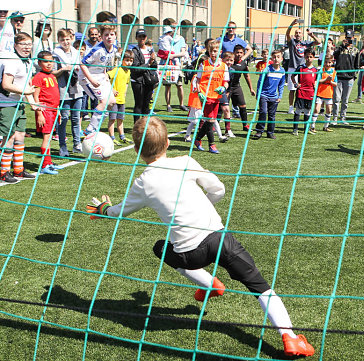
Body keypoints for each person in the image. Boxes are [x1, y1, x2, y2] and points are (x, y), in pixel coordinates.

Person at [86, 116, 315, 357]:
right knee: (260, 287)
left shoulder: (143, 182)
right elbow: (219, 189)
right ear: (167, 144)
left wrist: (103, 210)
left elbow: (118, 212)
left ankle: (210, 285)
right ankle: (289, 337)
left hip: (188, 255)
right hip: (220, 241)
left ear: (135, 150)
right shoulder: (186, 160)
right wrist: (201, 206)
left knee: (161, 248)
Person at [0, 32, 37, 183]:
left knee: (20, 135)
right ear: (15, 45)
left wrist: (33, 102)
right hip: (6, 104)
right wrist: (26, 92)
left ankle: (18, 169)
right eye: (23, 44)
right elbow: (6, 84)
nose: (27, 47)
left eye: (29, 44)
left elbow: (26, 84)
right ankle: (3, 171)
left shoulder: (27, 61)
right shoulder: (12, 61)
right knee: (8, 138)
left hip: (19, 103)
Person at [79, 24, 118, 136]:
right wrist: (90, 79)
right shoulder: (97, 50)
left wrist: (105, 76)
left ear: (115, 36)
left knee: (112, 102)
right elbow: (82, 63)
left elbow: (104, 64)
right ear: (101, 37)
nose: (109, 37)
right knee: (104, 102)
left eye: (111, 34)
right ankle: (90, 129)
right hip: (87, 78)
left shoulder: (114, 49)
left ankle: (95, 127)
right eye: (106, 35)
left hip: (101, 76)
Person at [193, 39, 229, 154]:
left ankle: (197, 139)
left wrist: (223, 88)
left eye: (215, 51)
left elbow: (226, 81)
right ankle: (212, 145)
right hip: (205, 96)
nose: (213, 54)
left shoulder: (223, 66)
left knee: (210, 121)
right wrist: (199, 93)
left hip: (216, 96)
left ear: (220, 52)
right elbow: (197, 80)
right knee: (211, 120)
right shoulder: (203, 65)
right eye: (211, 51)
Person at [53, 28, 84, 156]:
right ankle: (62, 146)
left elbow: (82, 68)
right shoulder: (56, 54)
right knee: (64, 118)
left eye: (67, 39)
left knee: (76, 118)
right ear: (58, 40)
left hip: (77, 88)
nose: (65, 42)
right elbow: (53, 72)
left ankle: (77, 143)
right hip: (63, 89)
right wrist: (65, 68)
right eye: (62, 40)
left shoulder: (76, 53)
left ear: (71, 39)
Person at [32, 51, 63, 174]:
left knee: (49, 137)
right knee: (46, 137)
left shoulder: (52, 76)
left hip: (54, 110)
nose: (49, 64)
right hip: (45, 111)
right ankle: (45, 165)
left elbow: (55, 96)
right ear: (39, 63)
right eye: (45, 61)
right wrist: (39, 113)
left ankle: (49, 162)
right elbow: (36, 98)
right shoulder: (39, 77)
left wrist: (58, 110)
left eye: (51, 61)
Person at [285, 19, 321, 114]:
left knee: (303, 88)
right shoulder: (292, 42)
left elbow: (319, 42)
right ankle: (291, 107)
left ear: (302, 34)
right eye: (296, 33)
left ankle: (301, 106)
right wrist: (292, 24)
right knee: (292, 89)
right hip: (293, 67)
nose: (298, 34)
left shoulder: (306, 43)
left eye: (299, 33)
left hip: (303, 69)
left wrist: (312, 35)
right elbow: (287, 34)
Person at [252, 49, 285, 139]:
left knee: (272, 115)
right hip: (264, 95)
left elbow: (281, 85)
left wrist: (280, 96)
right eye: (274, 57)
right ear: (271, 58)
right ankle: (259, 131)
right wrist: (258, 94)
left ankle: (270, 132)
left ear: (281, 58)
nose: (276, 59)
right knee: (263, 112)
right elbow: (260, 82)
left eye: (278, 57)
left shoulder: (282, 71)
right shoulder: (267, 69)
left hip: (274, 96)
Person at [106, 49, 134, 145]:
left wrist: (125, 92)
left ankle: (122, 136)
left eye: (131, 61)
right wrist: (112, 89)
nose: (129, 63)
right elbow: (106, 77)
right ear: (121, 60)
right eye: (127, 60)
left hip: (122, 99)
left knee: (120, 119)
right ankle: (112, 137)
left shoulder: (128, 72)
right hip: (114, 100)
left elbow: (126, 83)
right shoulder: (116, 69)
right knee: (112, 119)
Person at [332, 29, 359, 125]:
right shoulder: (339, 49)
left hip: (349, 78)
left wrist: (354, 76)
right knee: (336, 99)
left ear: (353, 38)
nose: (348, 40)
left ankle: (342, 117)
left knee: (345, 100)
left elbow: (357, 65)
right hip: (339, 77)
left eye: (350, 38)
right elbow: (334, 56)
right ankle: (334, 117)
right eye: (346, 38)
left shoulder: (355, 50)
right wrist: (341, 46)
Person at [160, 22, 189, 112]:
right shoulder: (164, 37)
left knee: (179, 85)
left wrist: (173, 56)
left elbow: (183, 52)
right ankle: (168, 105)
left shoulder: (180, 39)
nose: (174, 29)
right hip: (167, 64)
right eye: (172, 27)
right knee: (167, 86)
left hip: (177, 65)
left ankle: (181, 104)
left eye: (176, 28)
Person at [130, 29, 158, 123]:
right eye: (139, 37)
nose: (142, 39)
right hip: (138, 81)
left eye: (143, 37)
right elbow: (135, 69)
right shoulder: (134, 51)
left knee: (146, 105)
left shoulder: (150, 50)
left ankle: (145, 125)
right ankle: (137, 125)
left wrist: (153, 61)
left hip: (148, 80)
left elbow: (154, 66)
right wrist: (149, 63)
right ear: (136, 38)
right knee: (139, 104)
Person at [229, 45, 256, 132]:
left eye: (241, 52)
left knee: (243, 105)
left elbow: (247, 76)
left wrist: (251, 89)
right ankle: (216, 125)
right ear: (234, 53)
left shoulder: (243, 64)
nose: (239, 54)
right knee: (223, 107)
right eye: (237, 52)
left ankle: (245, 125)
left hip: (236, 87)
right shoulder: (229, 62)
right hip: (227, 87)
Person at [290, 48, 317, 135]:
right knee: (298, 110)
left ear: (313, 58)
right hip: (301, 92)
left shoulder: (315, 70)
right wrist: (295, 84)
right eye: (307, 56)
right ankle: (295, 129)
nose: (309, 58)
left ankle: (306, 129)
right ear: (304, 57)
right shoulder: (301, 68)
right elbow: (292, 76)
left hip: (310, 93)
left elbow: (316, 80)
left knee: (307, 111)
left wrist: (315, 84)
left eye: (310, 57)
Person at [311, 55, 337, 132]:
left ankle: (326, 126)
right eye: (326, 62)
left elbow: (335, 83)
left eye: (329, 62)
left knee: (329, 110)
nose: (328, 64)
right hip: (320, 93)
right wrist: (326, 79)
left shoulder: (334, 72)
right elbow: (318, 81)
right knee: (317, 109)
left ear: (332, 62)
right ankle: (312, 126)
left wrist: (331, 81)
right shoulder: (321, 70)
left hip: (329, 93)